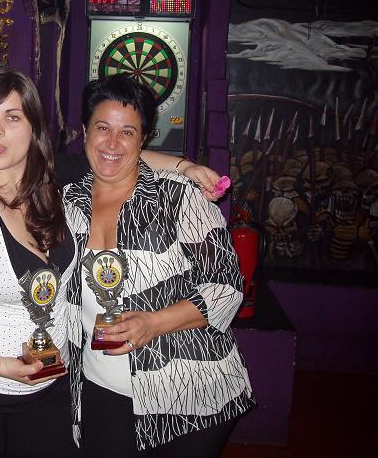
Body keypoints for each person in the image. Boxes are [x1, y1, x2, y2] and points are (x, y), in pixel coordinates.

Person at [0, 67, 223, 458]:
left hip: (48, 386)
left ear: (34, 129)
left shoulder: (53, 180)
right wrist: (1, 366)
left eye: (12, 118)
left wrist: (186, 167)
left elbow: (116, 155)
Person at [63, 74, 255, 457]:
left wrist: (154, 323)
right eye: (102, 128)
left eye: (128, 132)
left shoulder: (179, 196)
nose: (112, 142)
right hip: (99, 389)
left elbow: (226, 287)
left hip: (188, 391)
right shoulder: (66, 202)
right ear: (84, 132)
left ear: (143, 140)